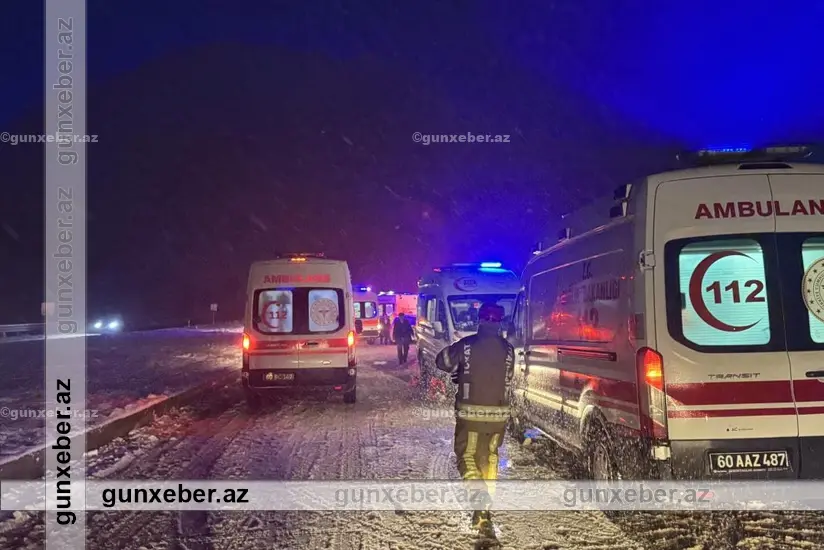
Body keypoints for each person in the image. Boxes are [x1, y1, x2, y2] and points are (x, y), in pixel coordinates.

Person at [435, 302, 514, 536]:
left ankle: (479, 499)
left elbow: (443, 362)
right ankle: (484, 512)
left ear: (480, 320)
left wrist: (461, 370)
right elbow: (505, 378)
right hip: (499, 416)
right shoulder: (509, 349)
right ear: (499, 322)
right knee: (489, 457)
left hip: (471, 414)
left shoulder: (467, 345)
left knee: (467, 456)